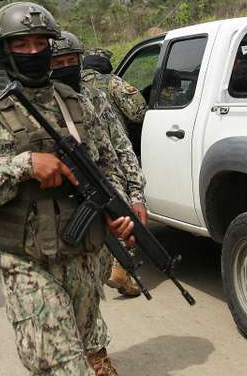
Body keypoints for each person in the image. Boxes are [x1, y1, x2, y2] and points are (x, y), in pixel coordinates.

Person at [0, 3, 134, 376]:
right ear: (4, 51)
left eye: (41, 43)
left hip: (83, 255)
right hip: (27, 261)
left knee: (89, 345)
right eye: (22, 45)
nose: (34, 53)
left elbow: (107, 166)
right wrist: (25, 166)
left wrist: (119, 209)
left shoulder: (78, 105)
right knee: (62, 366)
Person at [52, 33, 147, 299]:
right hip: (54, 210)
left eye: (72, 60)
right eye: (59, 62)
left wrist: (136, 196)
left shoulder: (95, 100)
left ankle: (119, 273)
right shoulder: (36, 105)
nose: (66, 67)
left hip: (98, 200)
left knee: (91, 290)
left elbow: (120, 149)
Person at [80, 49, 147, 128]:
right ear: (101, 62)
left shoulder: (74, 85)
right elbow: (139, 113)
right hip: (115, 138)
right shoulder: (112, 81)